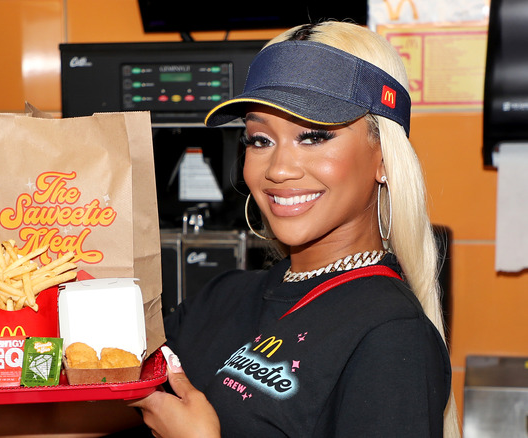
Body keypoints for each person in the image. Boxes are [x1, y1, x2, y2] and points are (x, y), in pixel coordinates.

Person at [131, 20, 459, 437]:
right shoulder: (222, 296)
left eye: (314, 136)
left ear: (383, 158)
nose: (279, 169)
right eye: (260, 140)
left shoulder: (392, 335)